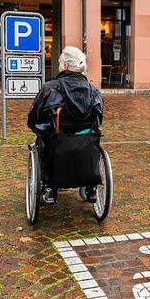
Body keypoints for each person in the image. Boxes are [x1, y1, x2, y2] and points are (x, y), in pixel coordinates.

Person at [27, 46, 104, 202]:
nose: (59, 66)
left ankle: (50, 185)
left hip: (58, 145)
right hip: (86, 144)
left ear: (67, 66)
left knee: (44, 137)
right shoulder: (94, 92)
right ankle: (90, 185)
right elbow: (98, 120)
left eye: (60, 62)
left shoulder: (50, 88)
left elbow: (34, 119)